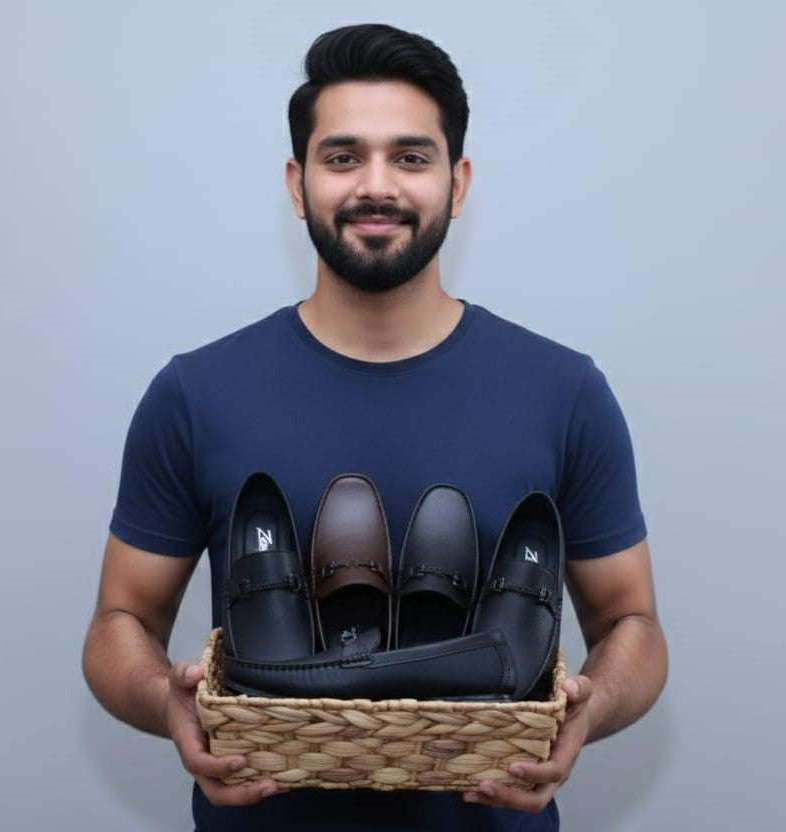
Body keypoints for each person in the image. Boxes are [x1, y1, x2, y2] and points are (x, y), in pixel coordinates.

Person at [83, 23, 668, 832]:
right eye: (343, 156)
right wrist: (166, 703)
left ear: (458, 183)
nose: (377, 186)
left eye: (412, 157)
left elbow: (631, 623)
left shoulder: (563, 391)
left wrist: (584, 713)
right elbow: (120, 623)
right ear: (298, 182)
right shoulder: (196, 392)